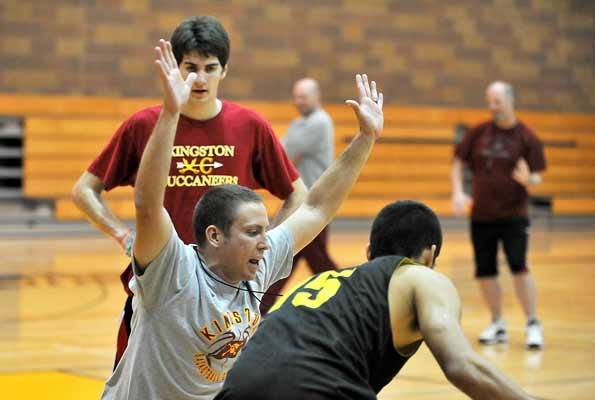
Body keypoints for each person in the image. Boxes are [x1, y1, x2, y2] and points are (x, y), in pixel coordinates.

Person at [100, 36, 384, 399]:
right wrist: (171, 113)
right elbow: (147, 204)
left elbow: (315, 207)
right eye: (252, 232)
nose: (266, 241)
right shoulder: (172, 270)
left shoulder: (258, 263)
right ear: (215, 236)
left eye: (264, 230)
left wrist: (365, 139)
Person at [71, 16, 307, 367]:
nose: (200, 78)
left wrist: (265, 241)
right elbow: (84, 190)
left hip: (226, 289)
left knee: (221, 382)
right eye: (191, 67)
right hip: (161, 285)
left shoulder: (250, 126)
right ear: (176, 69)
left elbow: (298, 193)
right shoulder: (144, 125)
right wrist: (122, 235)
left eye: (210, 67)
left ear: (224, 70)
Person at [215, 200, 536, 400]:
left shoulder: (324, 281)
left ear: (370, 253)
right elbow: (463, 367)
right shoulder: (420, 276)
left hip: (235, 387)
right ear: (430, 255)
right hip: (316, 387)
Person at [451, 81, 546, 349]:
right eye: (489, 101)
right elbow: (457, 161)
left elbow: (538, 175)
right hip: (481, 215)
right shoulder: (479, 132)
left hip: (514, 215)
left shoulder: (527, 136)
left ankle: (532, 323)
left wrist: (531, 179)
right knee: (485, 270)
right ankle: (498, 323)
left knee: (519, 265)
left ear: (510, 101)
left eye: (497, 101)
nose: (492, 106)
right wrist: (458, 192)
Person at [260, 78, 338, 314]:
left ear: (316, 96)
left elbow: (282, 152)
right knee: (293, 255)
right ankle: (261, 305)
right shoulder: (303, 122)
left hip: (313, 203)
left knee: (310, 257)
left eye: (303, 96)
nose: (298, 102)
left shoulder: (318, 122)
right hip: (305, 203)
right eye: (296, 96)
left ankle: (347, 297)